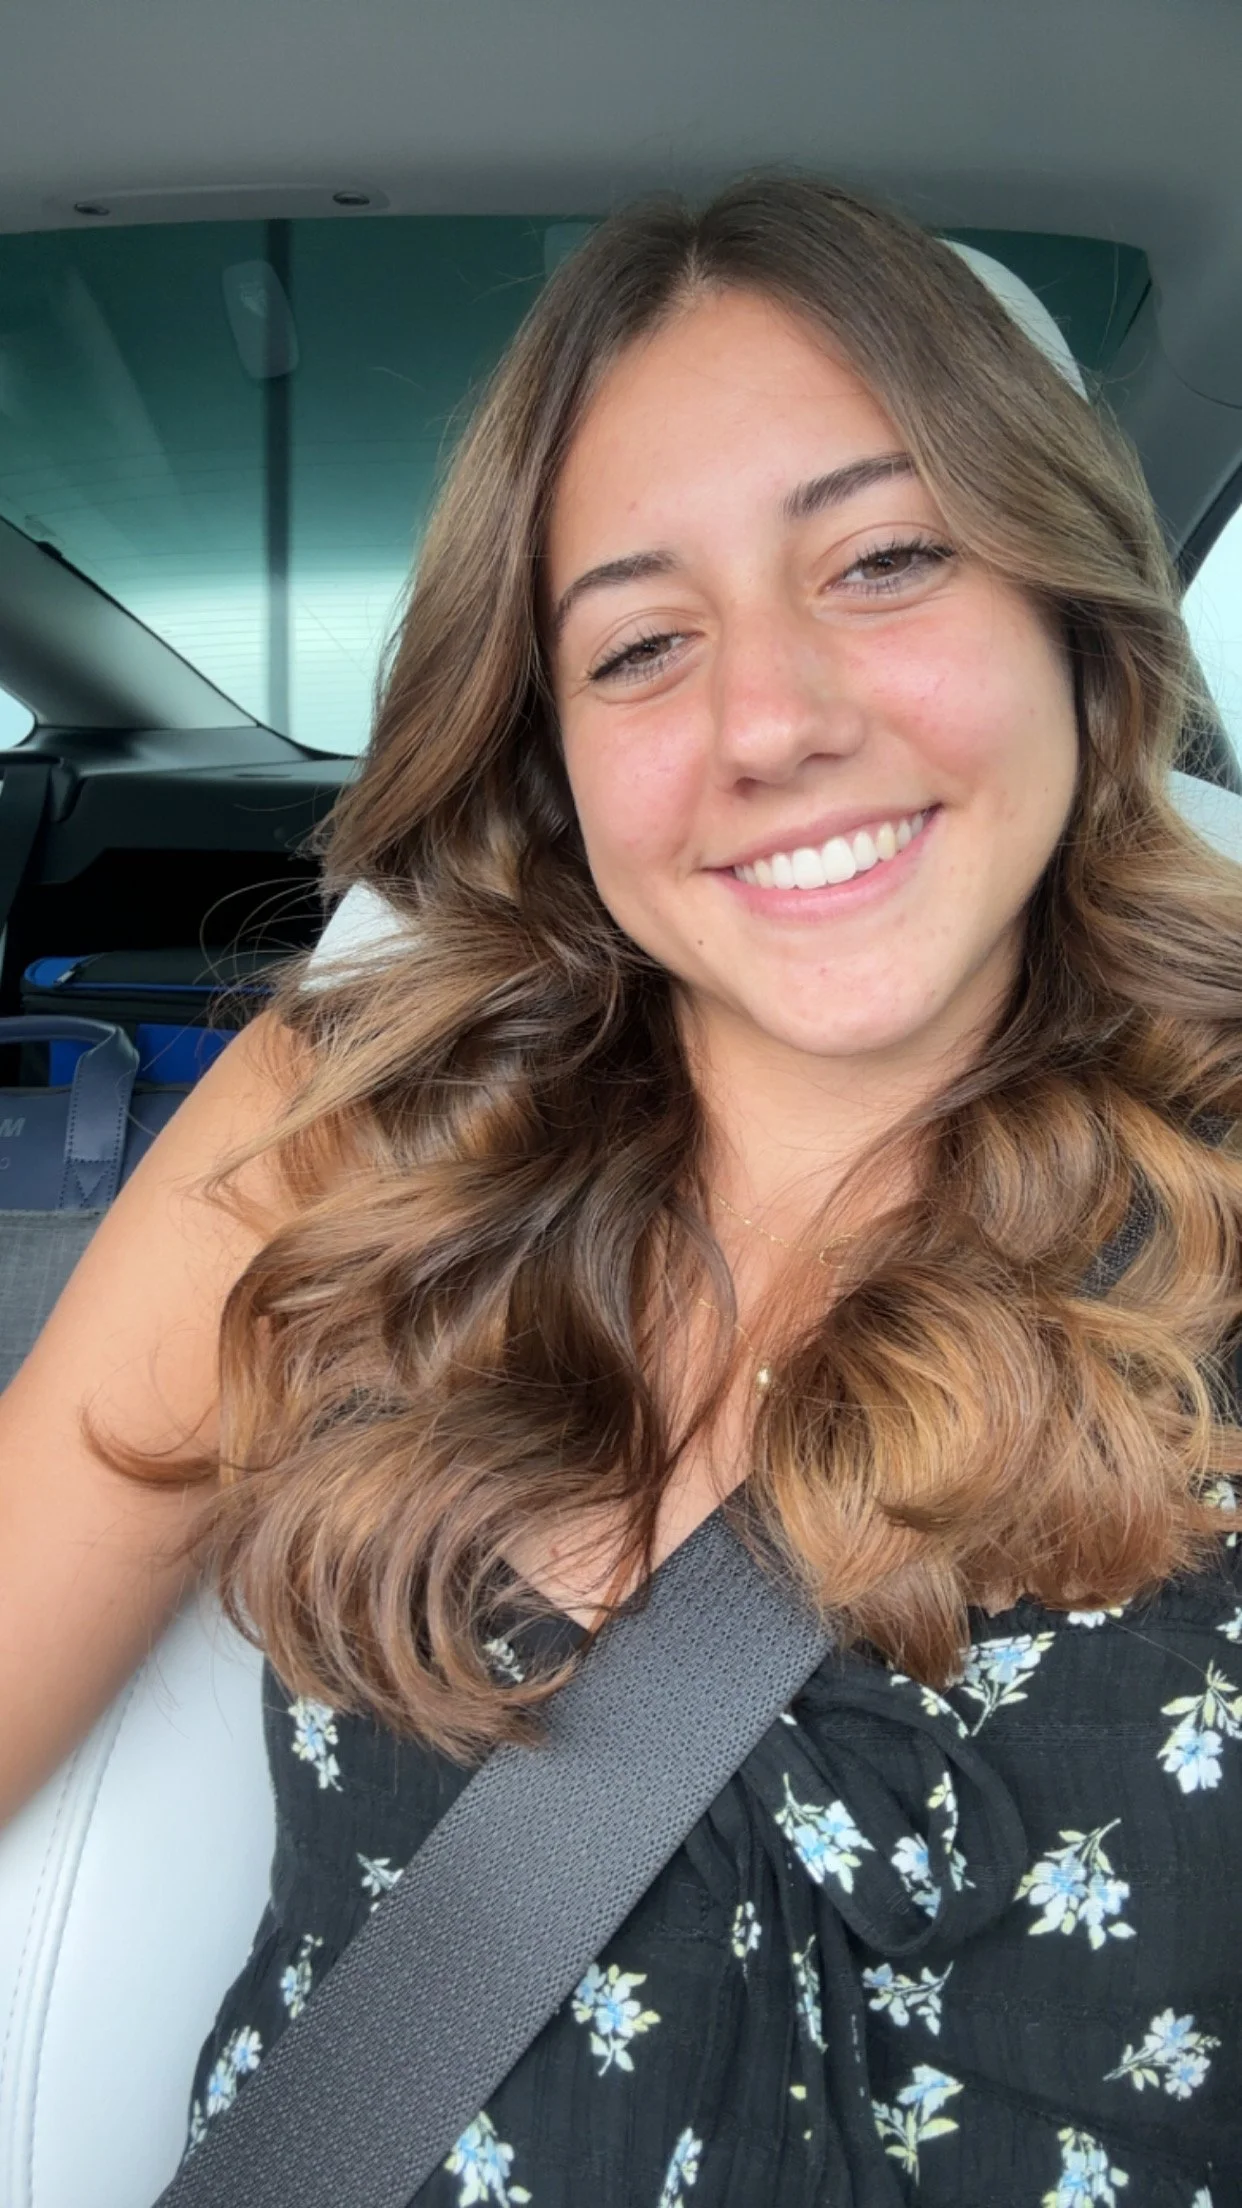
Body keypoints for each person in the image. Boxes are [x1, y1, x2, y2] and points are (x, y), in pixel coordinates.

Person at [2, 175, 1241, 2206]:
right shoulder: (355, 1128)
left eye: (887, 558)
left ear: (1076, 625)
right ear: (548, 750)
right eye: (644, 643)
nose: (772, 723)